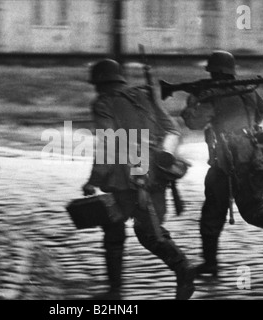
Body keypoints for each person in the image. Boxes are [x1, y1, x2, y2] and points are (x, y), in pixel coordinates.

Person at [180, 51, 263, 277]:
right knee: (252, 207)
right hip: (252, 159)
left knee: (212, 215)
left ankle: (210, 264)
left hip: (224, 162)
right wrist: (262, 145)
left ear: (215, 72)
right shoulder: (247, 92)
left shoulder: (212, 95)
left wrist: (192, 102)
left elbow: (194, 122)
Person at [82, 59, 195, 300]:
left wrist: (94, 179)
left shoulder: (103, 103)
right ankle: (179, 271)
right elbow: (173, 131)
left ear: (99, 84)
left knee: (126, 232)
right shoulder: (144, 97)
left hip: (124, 179)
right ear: (120, 80)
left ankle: (179, 271)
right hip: (152, 175)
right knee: (142, 231)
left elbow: (107, 144)